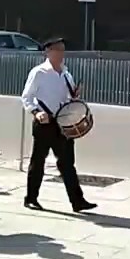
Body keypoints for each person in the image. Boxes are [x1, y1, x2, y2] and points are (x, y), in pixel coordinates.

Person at [21, 37, 96, 212]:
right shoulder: (39, 72)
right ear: (49, 52)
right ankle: (31, 198)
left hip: (62, 123)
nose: (62, 54)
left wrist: (74, 96)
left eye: (63, 50)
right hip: (44, 122)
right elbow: (26, 96)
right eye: (58, 50)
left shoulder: (66, 73)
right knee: (38, 161)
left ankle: (77, 201)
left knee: (67, 163)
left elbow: (68, 98)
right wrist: (36, 112)